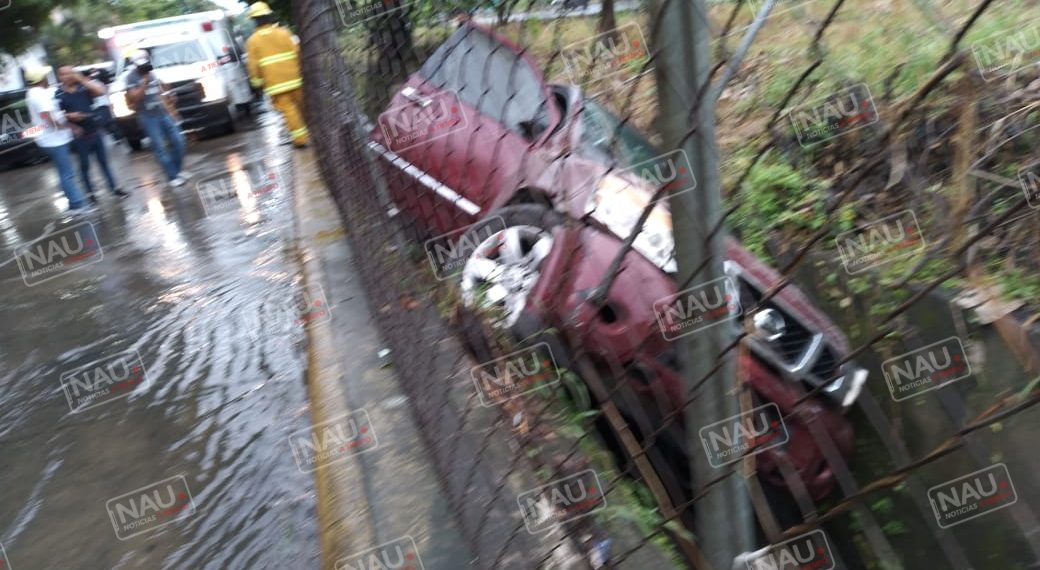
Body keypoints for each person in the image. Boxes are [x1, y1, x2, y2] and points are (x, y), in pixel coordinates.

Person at [56, 65, 127, 202]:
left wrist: (81, 79)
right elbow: (57, 115)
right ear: (60, 77)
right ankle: (90, 194)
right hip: (79, 135)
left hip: (94, 130)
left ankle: (114, 188)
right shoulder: (58, 94)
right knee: (84, 166)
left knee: (104, 163)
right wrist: (70, 117)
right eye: (65, 74)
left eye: (71, 73)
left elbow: (100, 92)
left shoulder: (83, 88)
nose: (69, 76)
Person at [24, 65, 88, 213]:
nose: (48, 78)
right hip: (54, 140)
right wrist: (71, 127)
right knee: (67, 173)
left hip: (51, 139)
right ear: (41, 79)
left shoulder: (34, 93)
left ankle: (74, 202)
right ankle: (77, 204)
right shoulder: (38, 95)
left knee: (64, 172)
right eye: (46, 76)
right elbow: (48, 118)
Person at [245, 2, 309, 148]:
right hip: (295, 79)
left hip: (275, 85)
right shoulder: (284, 33)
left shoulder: (253, 41)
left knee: (289, 112)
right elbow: (297, 52)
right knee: (302, 108)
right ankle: (312, 133)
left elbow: (253, 66)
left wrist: (257, 84)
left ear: (255, 21)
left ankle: (301, 140)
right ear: (269, 16)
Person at [124, 52, 190, 187]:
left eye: (146, 62)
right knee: (160, 148)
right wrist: (144, 83)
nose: (145, 66)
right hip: (147, 117)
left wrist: (171, 103)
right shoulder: (130, 78)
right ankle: (172, 177)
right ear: (134, 65)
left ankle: (176, 171)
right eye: (142, 64)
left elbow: (160, 92)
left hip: (163, 113)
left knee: (179, 141)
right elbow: (134, 98)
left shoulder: (152, 73)